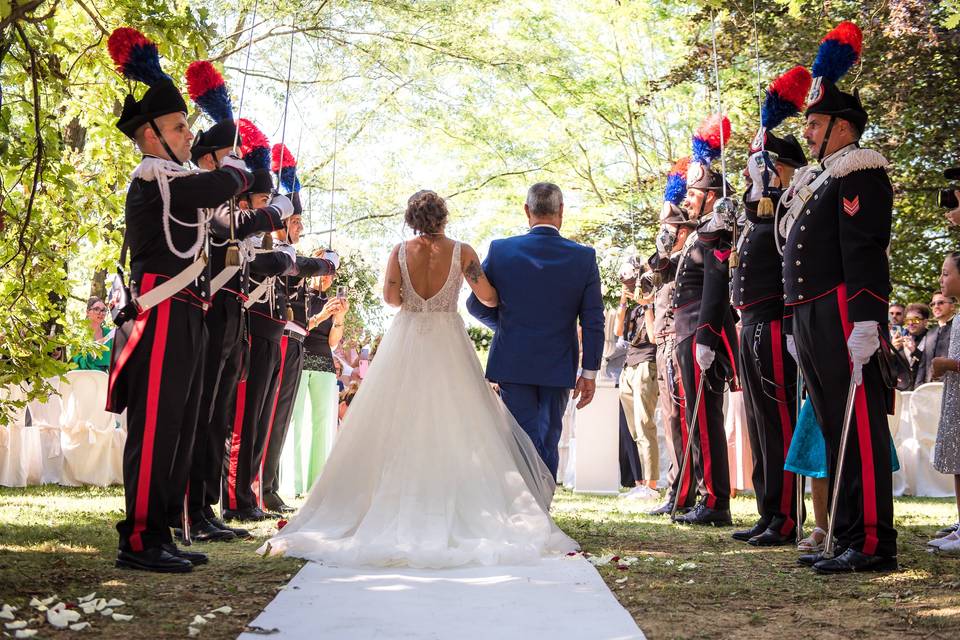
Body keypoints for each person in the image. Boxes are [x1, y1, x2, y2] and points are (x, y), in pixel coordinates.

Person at [261, 190, 577, 567]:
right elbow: (489, 298)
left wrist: (413, 296)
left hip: (407, 338)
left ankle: (399, 498)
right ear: (443, 217)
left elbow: (392, 299)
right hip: (448, 340)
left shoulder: (398, 252)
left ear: (412, 219)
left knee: (399, 420)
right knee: (457, 422)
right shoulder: (464, 252)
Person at [105, 27, 254, 573]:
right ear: (150, 137)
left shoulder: (179, 178)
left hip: (188, 312)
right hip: (160, 311)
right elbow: (220, 187)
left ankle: (163, 528)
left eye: (187, 125)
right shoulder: (154, 178)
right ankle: (139, 538)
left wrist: (229, 149)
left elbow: (223, 205)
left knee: (182, 421)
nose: (188, 135)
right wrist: (233, 160)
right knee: (156, 424)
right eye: (177, 127)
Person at [782, 22, 897, 574]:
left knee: (861, 423)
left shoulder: (860, 168)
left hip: (845, 307)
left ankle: (872, 540)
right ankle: (846, 535)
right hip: (812, 311)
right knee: (833, 424)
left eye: (815, 121)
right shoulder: (820, 176)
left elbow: (865, 248)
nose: (807, 131)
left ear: (842, 127)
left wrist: (869, 317)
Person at [180, 67, 294, 543]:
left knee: (220, 411)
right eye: (227, 158)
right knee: (204, 409)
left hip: (233, 315)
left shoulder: (230, 204)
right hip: (210, 309)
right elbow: (234, 229)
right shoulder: (204, 196)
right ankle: (194, 504)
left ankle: (206, 507)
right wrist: (272, 213)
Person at [467, 182, 605, 478]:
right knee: (548, 437)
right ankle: (541, 508)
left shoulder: (501, 250)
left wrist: (507, 327)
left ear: (527, 211)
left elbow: (475, 305)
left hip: (513, 360)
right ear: (561, 212)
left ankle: (523, 506)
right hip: (558, 363)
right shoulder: (584, 257)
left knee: (519, 437)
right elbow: (593, 321)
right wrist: (590, 372)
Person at [730, 66, 809, 546]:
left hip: (774, 322)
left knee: (778, 418)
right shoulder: (756, 211)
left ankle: (786, 514)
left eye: (759, 165)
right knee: (758, 421)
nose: (748, 173)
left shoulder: (785, 208)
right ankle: (767, 509)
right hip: (749, 323)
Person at [257, 144, 341, 514]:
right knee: (269, 414)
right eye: (295, 222)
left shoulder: (291, 253)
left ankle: (268, 485)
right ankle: (259, 484)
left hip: (294, 340)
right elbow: (298, 267)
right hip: (273, 337)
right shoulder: (274, 250)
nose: (300, 228)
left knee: (280, 417)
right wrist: (326, 266)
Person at [670, 114, 738, 527]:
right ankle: (703, 493)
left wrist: (708, 336)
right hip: (684, 329)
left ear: (712, 195)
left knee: (705, 416)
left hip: (699, 329)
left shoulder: (716, 230)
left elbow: (715, 288)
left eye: (695, 191)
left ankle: (716, 500)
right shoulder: (697, 231)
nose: (688, 199)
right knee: (692, 417)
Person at [647, 159, 698, 516]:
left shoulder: (690, 254)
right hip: (664, 340)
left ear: (682, 230)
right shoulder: (667, 260)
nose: (665, 234)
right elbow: (650, 284)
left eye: (670, 228)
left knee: (684, 418)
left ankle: (687, 491)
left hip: (681, 338)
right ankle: (676, 489)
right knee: (670, 420)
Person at [286, 261, 347, 496]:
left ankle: (317, 483)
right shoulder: (299, 294)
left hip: (324, 362)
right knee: (296, 420)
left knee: (322, 423)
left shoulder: (332, 302)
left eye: (331, 275)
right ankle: (294, 484)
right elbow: (300, 327)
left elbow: (333, 342)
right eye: (323, 272)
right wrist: (322, 316)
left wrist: (339, 316)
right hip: (299, 359)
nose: (327, 278)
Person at [615, 265, 660, 500]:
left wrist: (647, 305)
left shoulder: (652, 307)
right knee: (634, 429)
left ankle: (651, 485)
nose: (636, 289)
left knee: (645, 425)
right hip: (628, 367)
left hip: (646, 365)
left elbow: (653, 337)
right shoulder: (633, 310)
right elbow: (617, 330)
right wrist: (624, 301)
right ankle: (641, 482)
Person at [927, 252, 960, 555]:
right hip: (955, 397)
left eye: (946, 273)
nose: (941, 279)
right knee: (958, 462)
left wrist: (946, 363)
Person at [915, 293, 955, 388]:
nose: (936, 306)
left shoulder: (957, 328)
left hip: (952, 386)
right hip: (929, 388)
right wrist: (917, 387)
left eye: (940, 302)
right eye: (933, 304)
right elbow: (923, 364)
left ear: (952, 306)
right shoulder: (930, 333)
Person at [893, 303, 930, 388]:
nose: (911, 323)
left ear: (925, 322)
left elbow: (932, 364)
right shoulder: (898, 338)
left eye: (915, 320)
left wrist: (915, 351)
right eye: (908, 320)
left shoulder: (932, 337)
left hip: (923, 389)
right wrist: (892, 351)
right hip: (900, 389)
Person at [72, 297, 112, 372]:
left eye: (103, 310)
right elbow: (80, 363)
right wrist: (93, 352)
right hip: (82, 377)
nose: (101, 313)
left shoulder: (109, 333)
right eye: (96, 309)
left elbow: (114, 362)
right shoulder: (79, 334)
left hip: (103, 379)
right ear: (87, 312)